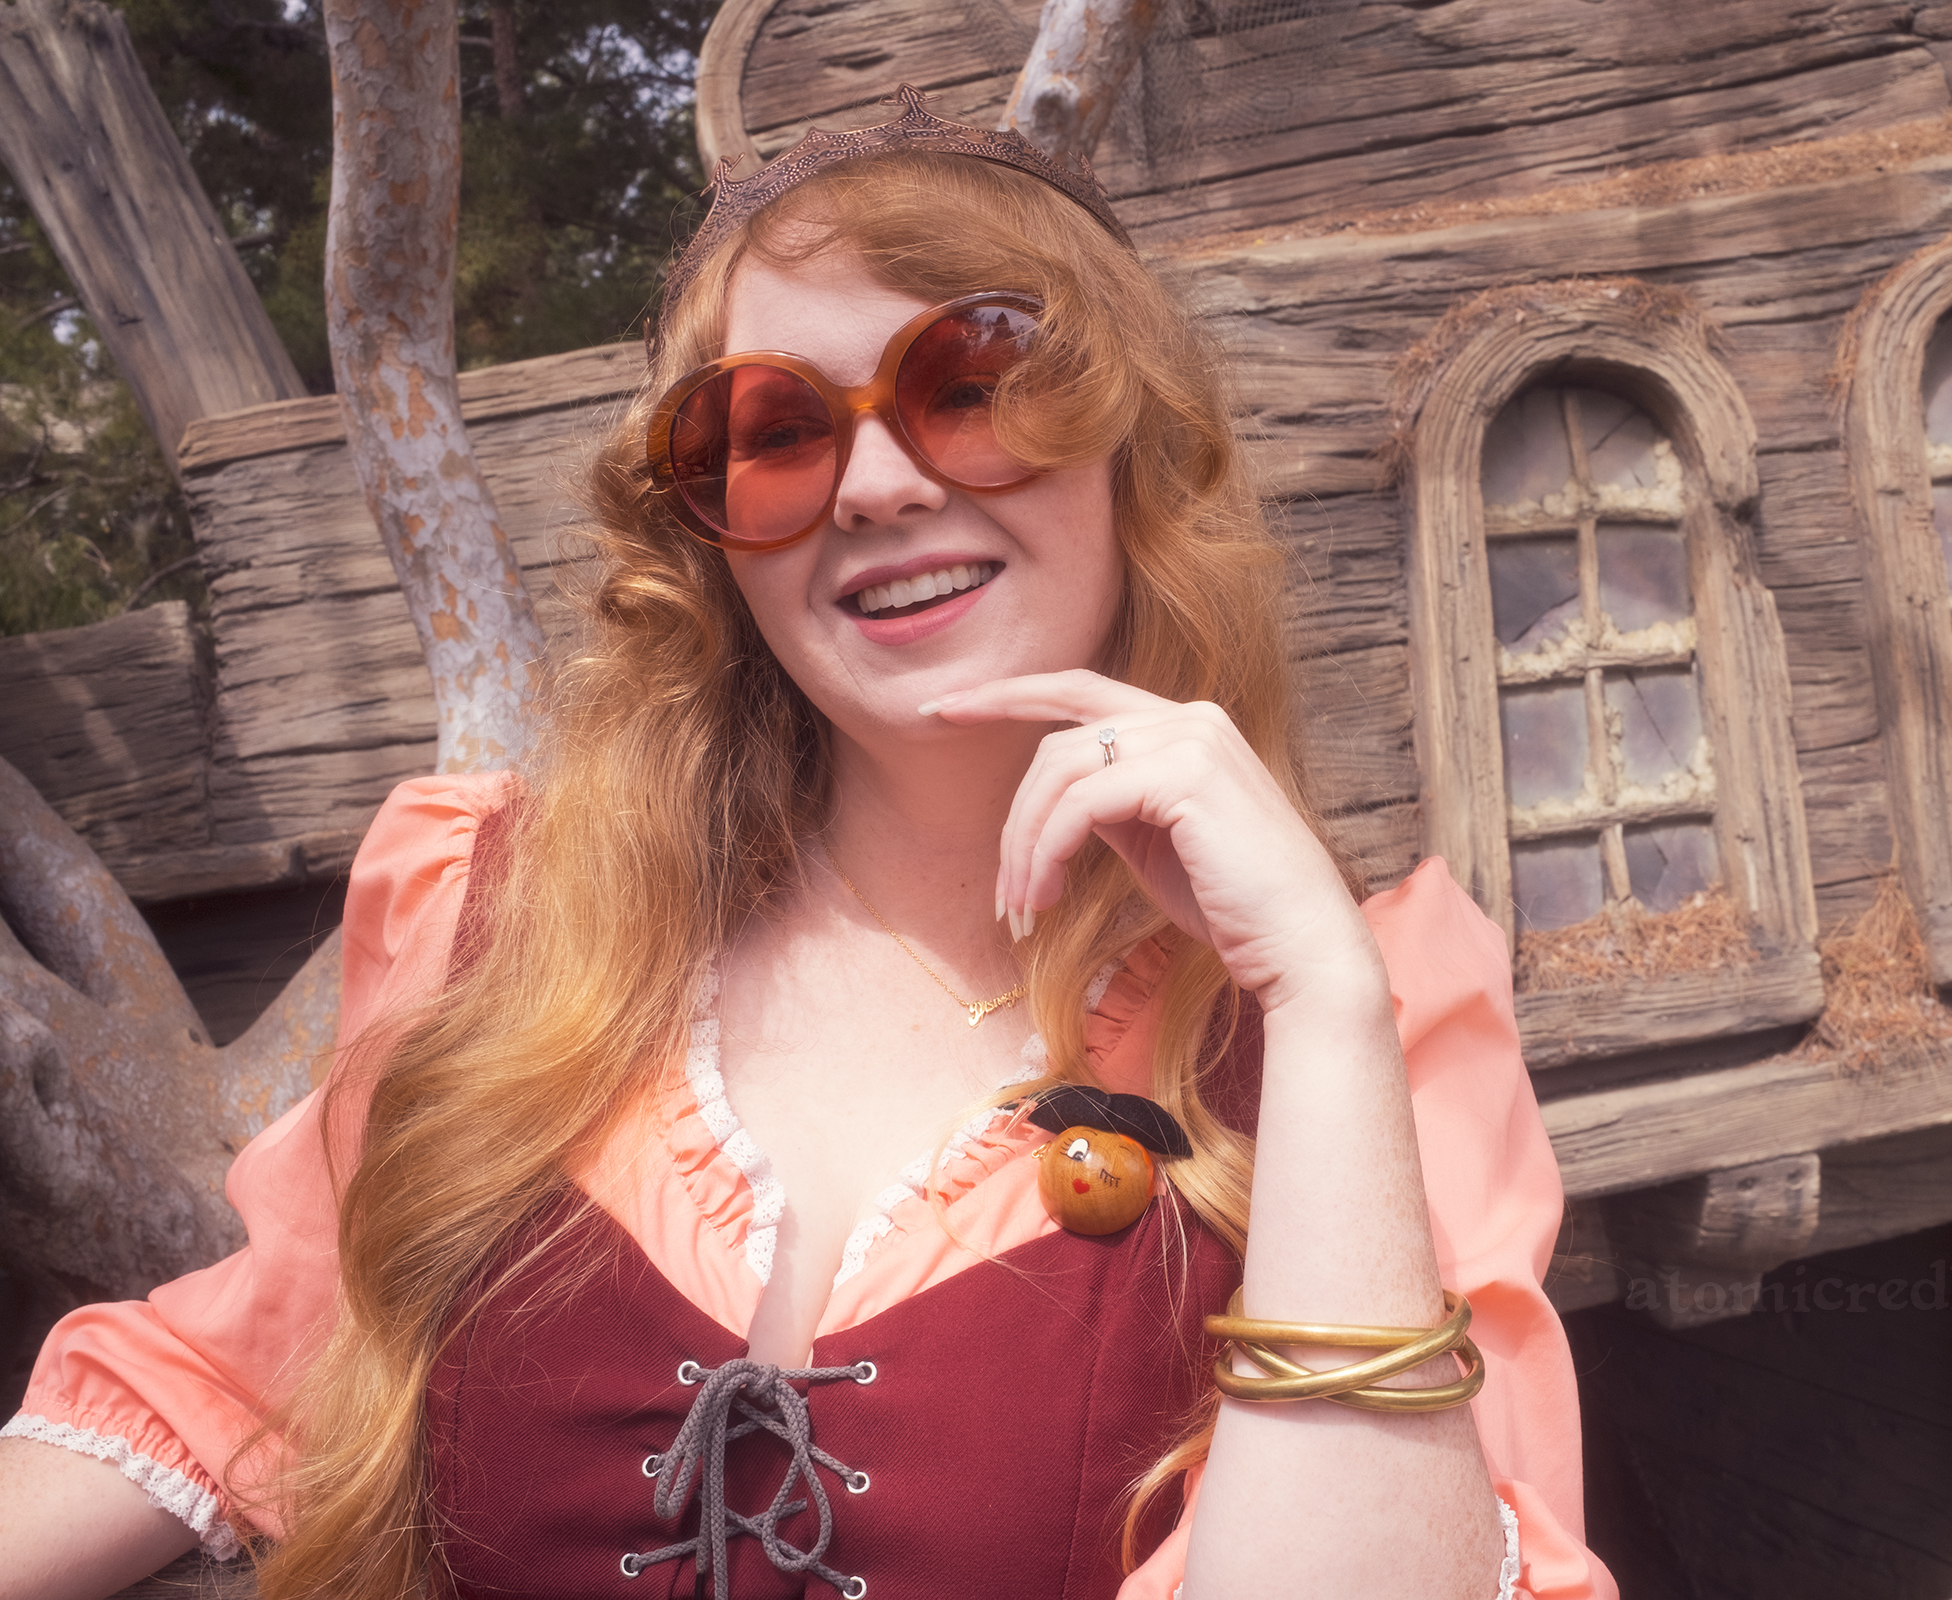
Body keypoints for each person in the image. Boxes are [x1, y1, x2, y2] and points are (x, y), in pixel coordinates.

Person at [0, 88, 1614, 1600]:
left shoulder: (1378, 1021)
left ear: (1138, 454)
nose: (881, 484)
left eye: (973, 384)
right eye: (773, 432)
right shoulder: (505, 921)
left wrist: (1322, 1008)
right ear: (710, 536)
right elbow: (247, 1365)